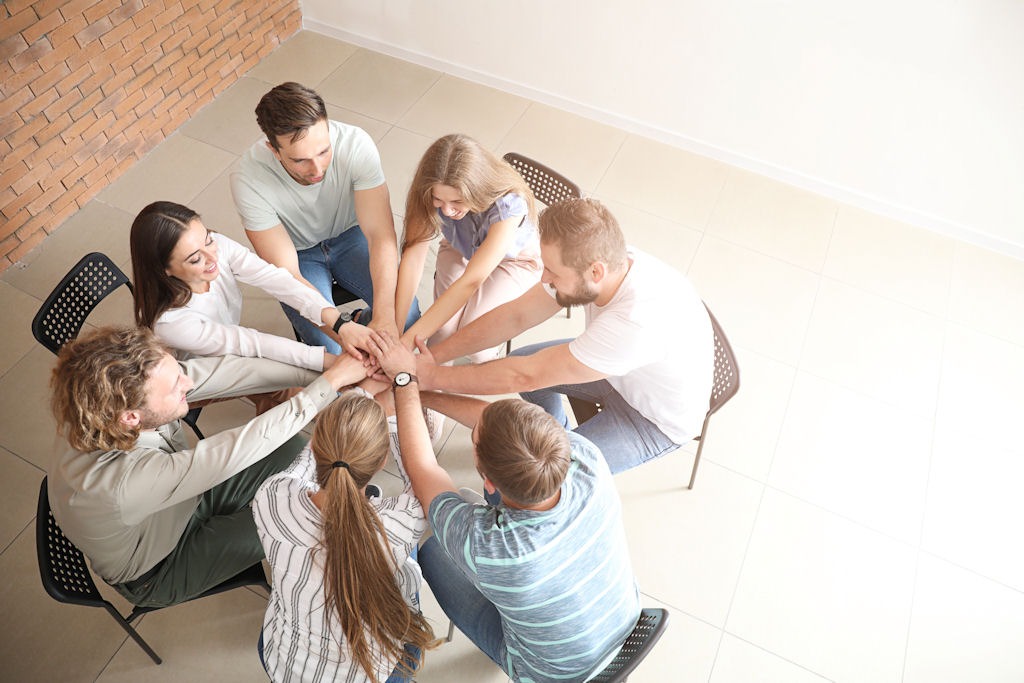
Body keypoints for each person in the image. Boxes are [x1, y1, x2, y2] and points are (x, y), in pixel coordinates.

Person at [367, 331, 641, 683]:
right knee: (463, 506)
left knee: (431, 549)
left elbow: (424, 472)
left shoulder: (492, 550)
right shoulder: (586, 457)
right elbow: (496, 421)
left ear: (490, 482)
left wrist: (404, 381)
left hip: (547, 673)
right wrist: (422, 394)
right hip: (622, 628)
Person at [47, 325, 368, 609]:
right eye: (175, 386)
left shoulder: (100, 405)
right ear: (131, 416)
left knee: (293, 449)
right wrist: (332, 382)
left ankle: (329, 509)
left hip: (177, 503)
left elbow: (221, 374)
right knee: (299, 521)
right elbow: (232, 452)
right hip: (162, 565)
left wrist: (325, 374)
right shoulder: (118, 486)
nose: (188, 382)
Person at [407, 197, 715, 473]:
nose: (544, 277)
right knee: (523, 360)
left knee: (538, 477)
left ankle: (552, 448)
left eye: (553, 271)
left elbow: (523, 377)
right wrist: (435, 356)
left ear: (596, 272)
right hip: (618, 371)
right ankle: (558, 433)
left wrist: (431, 377)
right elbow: (516, 315)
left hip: (651, 419)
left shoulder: (636, 322)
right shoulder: (606, 260)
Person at [253, 391, 437, 682]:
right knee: (406, 560)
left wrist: (359, 398)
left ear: (316, 449)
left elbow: (303, 465)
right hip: (370, 675)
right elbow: (423, 474)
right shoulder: (395, 526)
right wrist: (394, 411)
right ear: (381, 462)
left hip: (283, 662)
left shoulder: (272, 496)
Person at [230, 81, 418, 356]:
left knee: (407, 315)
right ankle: (357, 327)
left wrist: (386, 315)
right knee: (330, 350)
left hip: (352, 235)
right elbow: (288, 273)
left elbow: (380, 235)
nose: (317, 168)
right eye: (299, 160)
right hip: (299, 256)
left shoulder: (356, 144)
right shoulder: (247, 179)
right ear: (273, 149)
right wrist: (342, 331)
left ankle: (363, 322)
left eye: (323, 151)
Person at [130, 202, 374, 413]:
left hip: (230, 347)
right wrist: (330, 362)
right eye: (195, 259)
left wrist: (339, 323)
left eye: (208, 240)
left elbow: (276, 279)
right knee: (289, 385)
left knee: (291, 379)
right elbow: (249, 343)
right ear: (165, 270)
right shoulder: (170, 323)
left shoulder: (218, 247)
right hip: (195, 376)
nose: (213, 258)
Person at [396, 134, 541, 361]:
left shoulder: (509, 205)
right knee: (440, 334)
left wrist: (405, 343)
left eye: (457, 202)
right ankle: (430, 388)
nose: (446, 212)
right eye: (438, 201)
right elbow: (413, 256)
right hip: (461, 247)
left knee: (476, 346)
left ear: (477, 190)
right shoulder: (426, 192)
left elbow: (471, 281)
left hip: (514, 262)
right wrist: (398, 329)